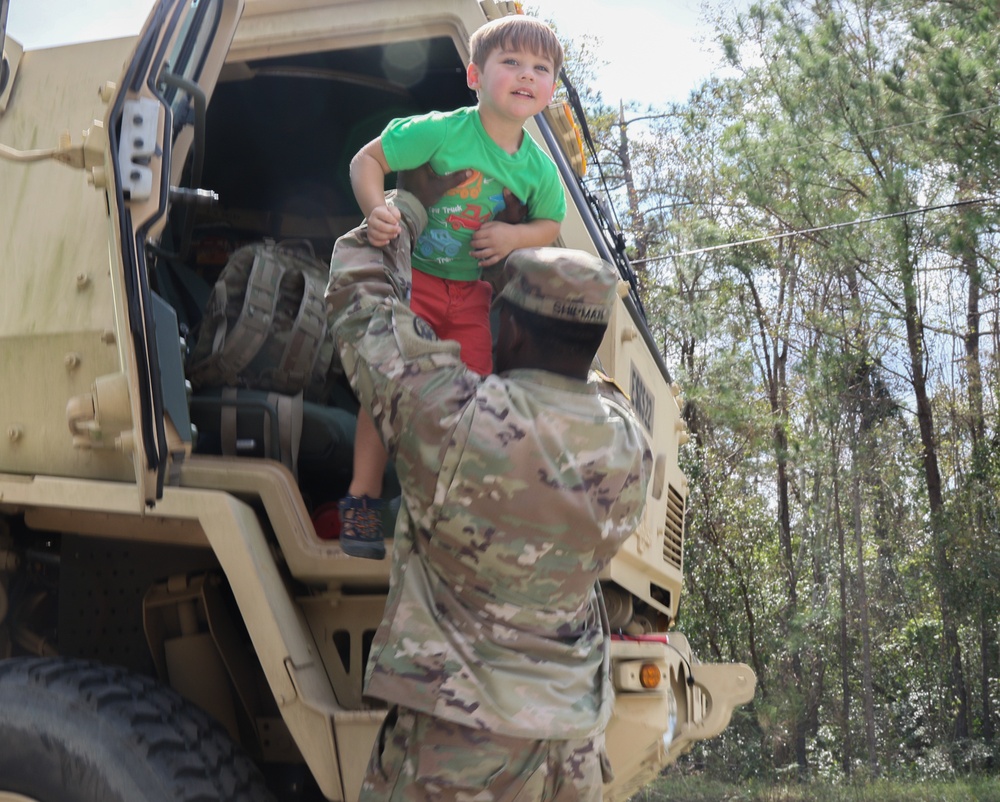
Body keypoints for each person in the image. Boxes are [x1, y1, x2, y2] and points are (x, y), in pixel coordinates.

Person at [324, 167, 652, 801]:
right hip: (572, 746)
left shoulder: (454, 418)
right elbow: (586, 386)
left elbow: (358, 297)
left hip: (459, 741)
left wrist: (409, 203)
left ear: (511, 330)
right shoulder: (626, 443)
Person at [338, 14, 568, 559]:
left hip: (470, 298)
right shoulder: (441, 131)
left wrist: (514, 235)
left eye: (539, 68)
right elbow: (366, 159)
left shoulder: (538, 169)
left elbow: (550, 224)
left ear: (551, 89)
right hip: (412, 282)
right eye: (510, 62)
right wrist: (376, 211)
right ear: (474, 75)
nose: (525, 75)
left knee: (475, 404)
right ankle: (362, 500)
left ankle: (452, 516)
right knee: (385, 389)